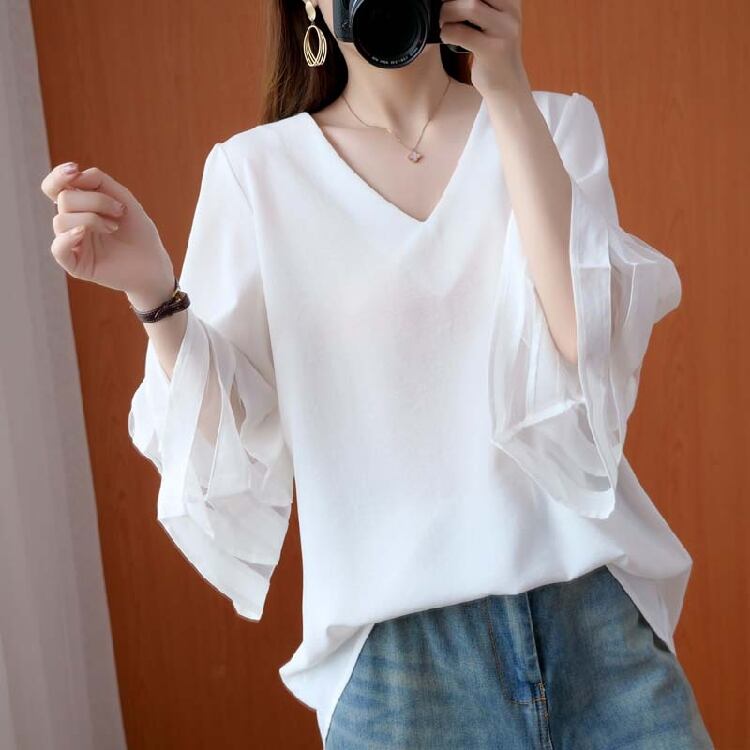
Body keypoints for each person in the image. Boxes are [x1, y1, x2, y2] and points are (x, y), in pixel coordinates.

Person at [41, 0, 714, 747]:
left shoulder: (551, 122)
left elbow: (582, 347)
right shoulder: (256, 173)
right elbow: (226, 449)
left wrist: (506, 85)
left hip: (596, 626)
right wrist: (153, 293)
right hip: (399, 672)